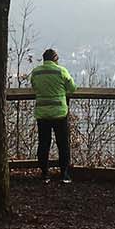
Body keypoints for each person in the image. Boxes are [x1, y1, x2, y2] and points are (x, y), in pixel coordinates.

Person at [30, 48, 77, 183]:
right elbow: (72, 88)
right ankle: (64, 174)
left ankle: (44, 174)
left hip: (42, 113)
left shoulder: (36, 72)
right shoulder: (61, 71)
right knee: (63, 144)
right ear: (55, 59)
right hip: (59, 113)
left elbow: (34, 87)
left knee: (44, 144)